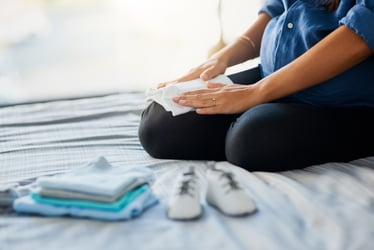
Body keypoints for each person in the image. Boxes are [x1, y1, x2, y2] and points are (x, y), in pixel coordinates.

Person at [138, 0, 374, 172]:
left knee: (251, 142)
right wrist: (222, 58)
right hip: (271, 74)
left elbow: (363, 31)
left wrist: (257, 93)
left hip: (344, 102)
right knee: (160, 126)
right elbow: (278, 8)